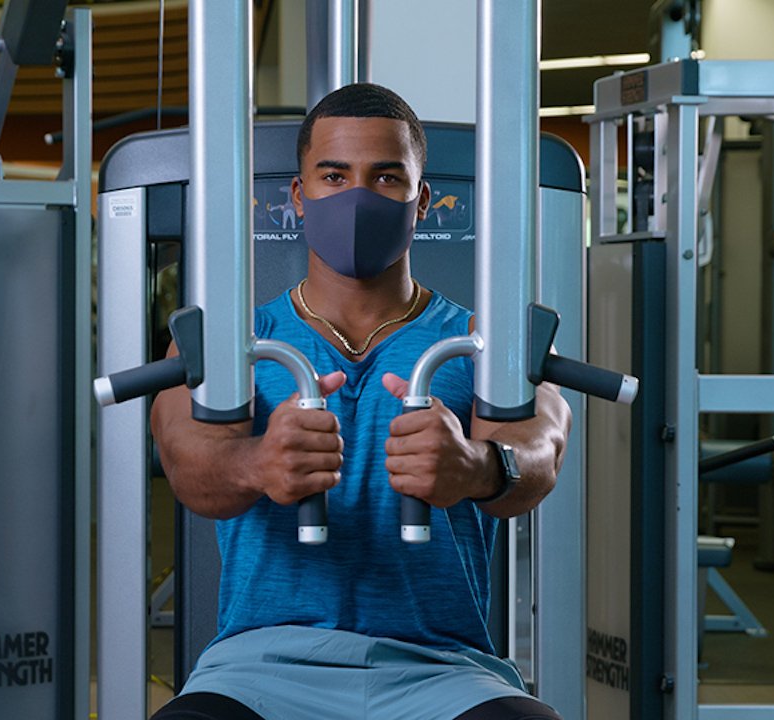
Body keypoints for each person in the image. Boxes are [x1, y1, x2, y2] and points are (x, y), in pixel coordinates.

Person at [149, 83, 570, 720]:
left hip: (438, 667)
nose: (357, 197)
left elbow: (543, 446)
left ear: (421, 200)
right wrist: (258, 462)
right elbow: (186, 461)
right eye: (334, 176)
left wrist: (477, 465)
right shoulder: (233, 342)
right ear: (299, 196)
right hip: (260, 665)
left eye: (386, 178)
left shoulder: (485, 341)